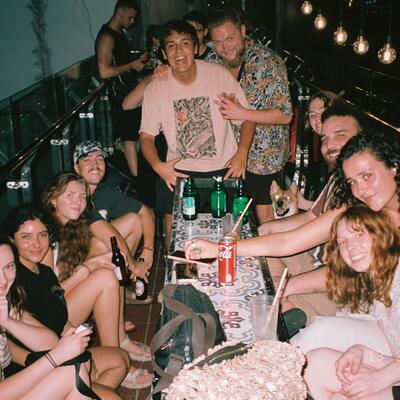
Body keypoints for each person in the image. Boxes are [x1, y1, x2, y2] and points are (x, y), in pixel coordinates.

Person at [7, 202, 152, 390]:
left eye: (42, 235)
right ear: (12, 240)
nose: (36, 244)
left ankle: (86, 390)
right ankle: (81, 390)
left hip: (62, 348)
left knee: (120, 359)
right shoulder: (11, 279)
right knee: (105, 373)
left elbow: (60, 314)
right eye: (26, 237)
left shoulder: (43, 271)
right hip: (40, 367)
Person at [139, 19, 255, 244]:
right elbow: (146, 136)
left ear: (195, 47)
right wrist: (158, 166)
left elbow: (246, 118)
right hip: (178, 172)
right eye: (171, 46)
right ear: (163, 53)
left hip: (223, 169)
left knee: (231, 233)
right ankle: (177, 265)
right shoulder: (155, 88)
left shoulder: (218, 75)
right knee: (173, 233)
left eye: (184, 43)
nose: (178, 51)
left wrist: (242, 154)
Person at [206, 5, 293, 224]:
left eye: (230, 38)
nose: (225, 47)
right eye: (218, 42)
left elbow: (284, 115)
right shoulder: (211, 61)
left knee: (265, 216)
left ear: (243, 31)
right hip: (225, 154)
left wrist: (242, 112)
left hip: (264, 155)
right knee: (229, 213)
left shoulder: (268, 62)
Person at [304, 205, 400, 400]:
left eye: (359, 235)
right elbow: (394, 355)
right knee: (315, 364)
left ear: (382, 233)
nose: (350, 247)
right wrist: (361, 351)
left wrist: (379, 379)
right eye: (343, 241)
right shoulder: (378, 284)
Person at [0, 234, 98, 400]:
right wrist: (56, 357)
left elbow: (51, 342)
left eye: (9, 266)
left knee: (83, 368)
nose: (3, 279)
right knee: (72, 372)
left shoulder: (6, 300)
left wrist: (8, 322)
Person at [72, 141, 155, 299]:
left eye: (100, 159)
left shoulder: (105, 192)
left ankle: (119, 291)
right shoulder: (75, 194)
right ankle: (105, 297)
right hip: (73, 266)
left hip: (95, 255)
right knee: (103, 240)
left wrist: (148, 250)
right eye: (87, 159)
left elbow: (145, 211)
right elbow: (108, 234)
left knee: (134, 220)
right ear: (76, 168)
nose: (95, 164)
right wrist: (134, 265)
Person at [95, 0, 147, 178]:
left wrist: (135, 63)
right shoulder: (107, 37)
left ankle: (139, 176)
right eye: (130, 17)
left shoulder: (118, 34)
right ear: (120, 12)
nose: (132, 22)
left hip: (127, 90)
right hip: (120, 93)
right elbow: (104, 71)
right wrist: (132, 65)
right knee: (129, 138)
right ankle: (136, 179)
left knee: (134, 134)